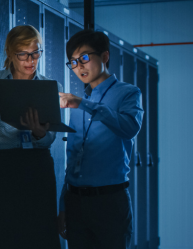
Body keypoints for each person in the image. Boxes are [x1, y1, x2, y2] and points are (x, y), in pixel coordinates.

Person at [0, 25, 62, 248]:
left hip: (36, 166)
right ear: (10, 53)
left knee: (39, 235)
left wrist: (39, 133)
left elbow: (51, 138)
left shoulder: (49, 85)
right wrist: (6, 104)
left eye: (35, 52)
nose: (30, 60)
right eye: (23, 54)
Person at [57, 29, 143, 249]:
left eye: (84, 58)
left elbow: (129, 128)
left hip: (110, 201)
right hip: (76, 201)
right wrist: (63, 204)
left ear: (104, 56)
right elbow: (74, 154)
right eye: (73, 62)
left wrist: (83, 104)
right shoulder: (79, 101)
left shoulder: (128, 93)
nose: (79, 67)